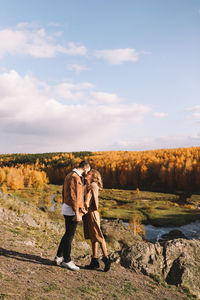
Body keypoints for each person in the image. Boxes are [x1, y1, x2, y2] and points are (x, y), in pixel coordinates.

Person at [54, 160, 90, 271]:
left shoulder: (70, 174)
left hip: (67, 208)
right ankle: (67, 260)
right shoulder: (75, 177)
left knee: (67, 234)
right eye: (88, 170)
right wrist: (76, 213)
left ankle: (59, 257)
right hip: (71, 210)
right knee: (70, 235)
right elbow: (75, 197)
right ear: (84, 168)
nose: (88, 173)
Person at [83, 169, 111, 272]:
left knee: (99, 236)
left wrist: (85, 203)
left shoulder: (93, 185)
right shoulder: (89, 185)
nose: (86, 174)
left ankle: (106, 259)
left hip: (92, 213)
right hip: (90, 213)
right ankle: (94, 260)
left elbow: (93, 202)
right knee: (93, 236)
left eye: (88, 173)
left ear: (93, 176)